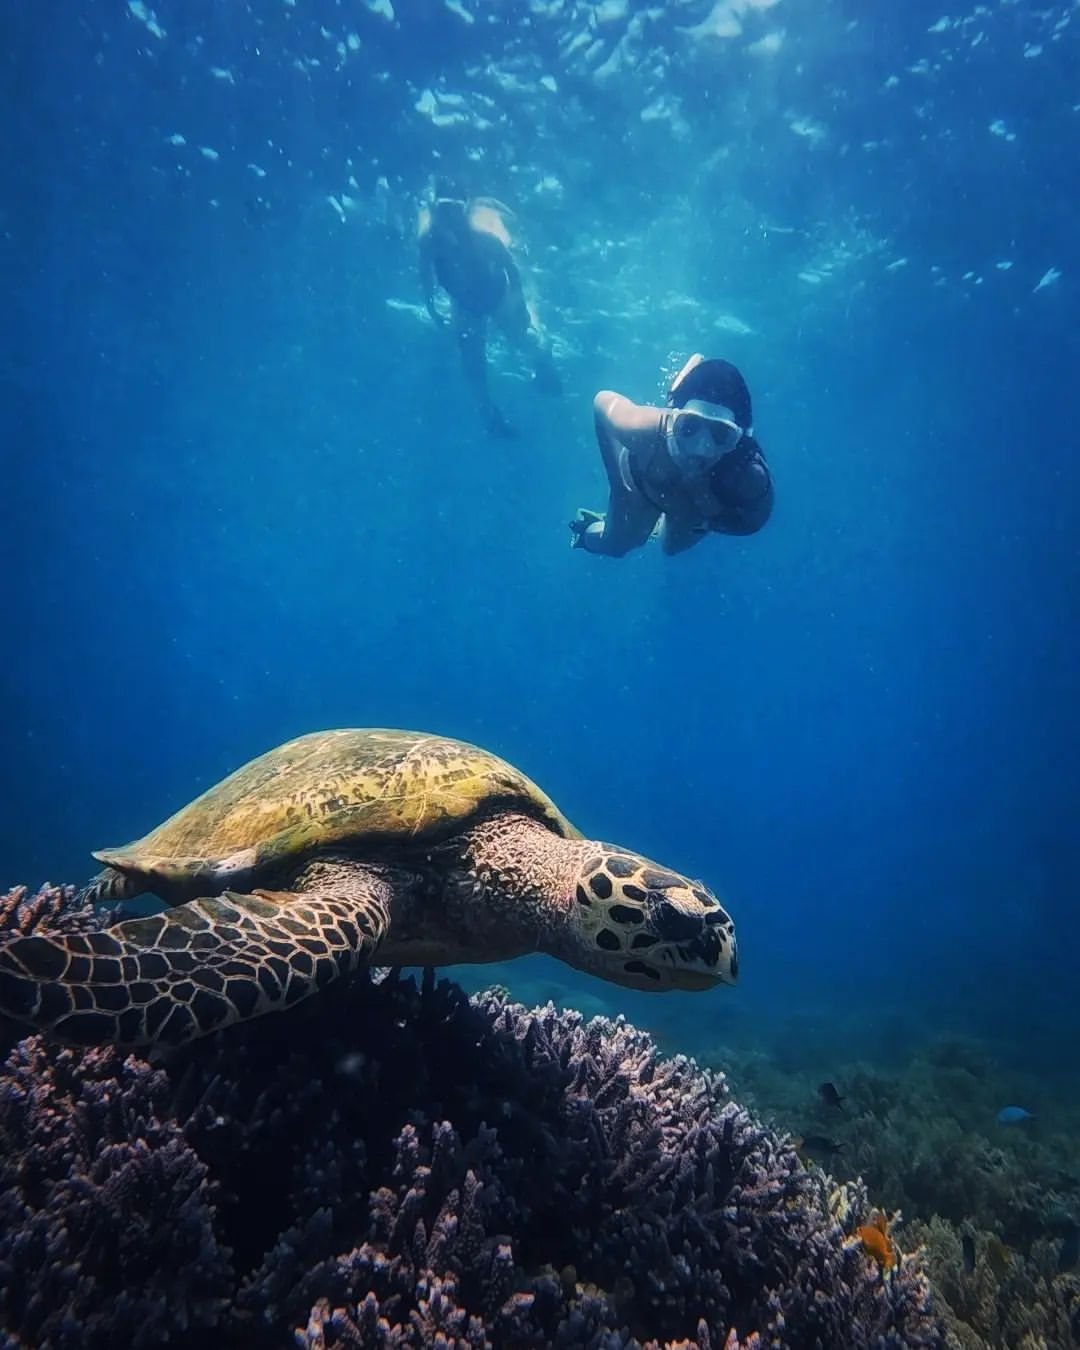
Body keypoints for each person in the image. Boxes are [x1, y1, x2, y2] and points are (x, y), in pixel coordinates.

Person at [569, 354, 773, 557]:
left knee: (670, 548)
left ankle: (682, 399)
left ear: (737, 441)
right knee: (618, 545)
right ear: (670, 420)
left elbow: (754, 522)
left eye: (720, 434)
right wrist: (618, 485)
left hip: (690, 512)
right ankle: (583, 531)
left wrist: (714, 521)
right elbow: (602, 402)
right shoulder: (642, 429)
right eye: (689, 427)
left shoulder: (750, 475)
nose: (700, 449)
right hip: (641, 484)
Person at [418, 184, 560, 437]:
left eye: (455, 210)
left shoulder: (484, 237)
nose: (449, 218)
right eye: (444, 209)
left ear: (465, 210)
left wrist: (521, 308)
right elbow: (426, 276)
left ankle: (543, 363)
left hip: (498, 294)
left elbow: (512, 270)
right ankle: (491, 418)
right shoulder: (429, 241)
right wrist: (432, 309)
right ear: (435, 210)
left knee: (523, 339)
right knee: (472, 364)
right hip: (464, 304)